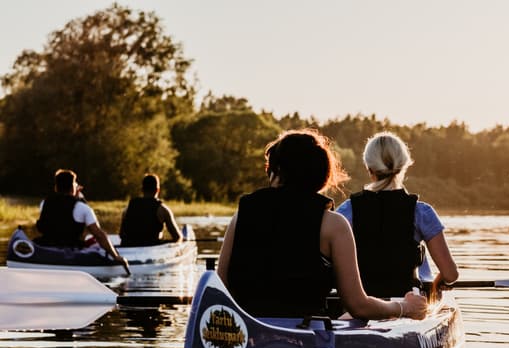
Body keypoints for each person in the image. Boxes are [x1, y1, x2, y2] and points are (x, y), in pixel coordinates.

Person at [216, 129, 428, 321]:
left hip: (247, 334)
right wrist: (404, 307)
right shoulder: (333, 225)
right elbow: (359, 307)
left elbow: (220, 289)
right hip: (304, 338)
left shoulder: (242, 215)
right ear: (321, 174)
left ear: (276, 171)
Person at [336, 131, 459, 300]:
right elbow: (450, 274)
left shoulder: (347, 211)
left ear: (369, 169)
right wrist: (435, 285)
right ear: (403, 167)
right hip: (407, 304)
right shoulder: (422, 212)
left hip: (361, 305)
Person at [35, 168, 128, 270]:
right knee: (93, 240)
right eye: (75, 184)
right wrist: (116, 256)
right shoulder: (82, 207)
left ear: (56, 187)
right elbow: (99, 235)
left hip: (46, 246)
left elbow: (58, 214)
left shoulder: (44, 204)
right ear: (72, 187)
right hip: (70, 251)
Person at [119, 173, 182, 246]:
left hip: (128, 248)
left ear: (142, 189)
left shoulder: (127, 209)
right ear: (157, 190)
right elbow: (177, 237)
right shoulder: (163, 210)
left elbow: (121, 235)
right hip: (151, 249)